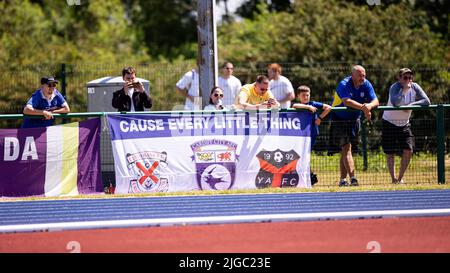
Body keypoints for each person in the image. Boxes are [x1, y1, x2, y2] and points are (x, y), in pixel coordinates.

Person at [328, 65, 379, 187]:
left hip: (354, 119)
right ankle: (353, 178)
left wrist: (369, 107)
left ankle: (342, 180)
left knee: (346, 150)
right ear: (353, 75)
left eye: (364, 75)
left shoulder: (366, 84)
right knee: (346, 148)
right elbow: (347, 102)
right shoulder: (344, 84)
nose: (362, 78)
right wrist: (364, 107)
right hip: (339, 118)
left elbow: (376, 101)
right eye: (360, 75)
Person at [381, 68, 430, 184]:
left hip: (404, 124)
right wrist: (404, 89)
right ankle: (393, 179)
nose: (408, 80)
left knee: (408, 150)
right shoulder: (395, 87)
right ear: (399, 78)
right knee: (390, 152)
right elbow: (396, 102)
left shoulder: (415, 87)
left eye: (410, 77)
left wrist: (412, 104)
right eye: (405, 77)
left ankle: (400, 178)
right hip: (389, 122)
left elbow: (426, 101)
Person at [291, 85, 331, 185]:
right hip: (300, 135)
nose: (306, 97)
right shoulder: (304, 105)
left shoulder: (313, 103)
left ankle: (309, 176)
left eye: (307, 95)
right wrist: (308, 107)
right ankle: (307, 175)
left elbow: (328, 108)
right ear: (298, 96)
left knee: (305, 155)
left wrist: (320, 118)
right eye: (303, 95)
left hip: (311, 134)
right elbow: (294, 106)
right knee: (300, 155)